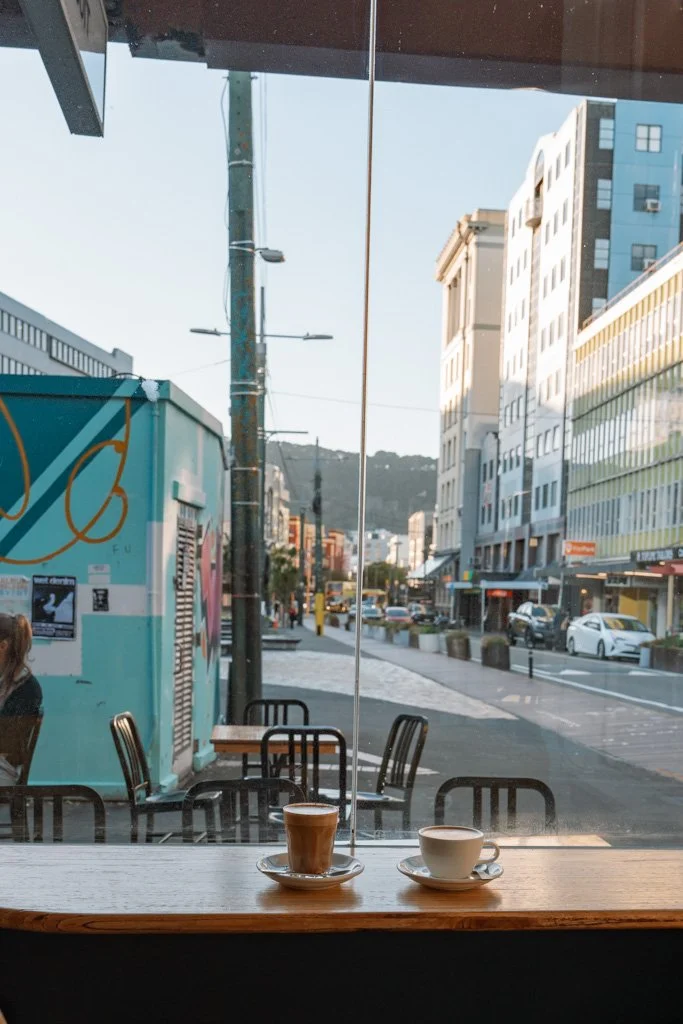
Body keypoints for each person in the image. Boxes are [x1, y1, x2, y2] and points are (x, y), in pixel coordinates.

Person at [0, 614, 43, 785]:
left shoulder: (26, 688)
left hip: (4, 770)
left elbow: (7, 744)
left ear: (3, 646)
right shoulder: (5, 680)